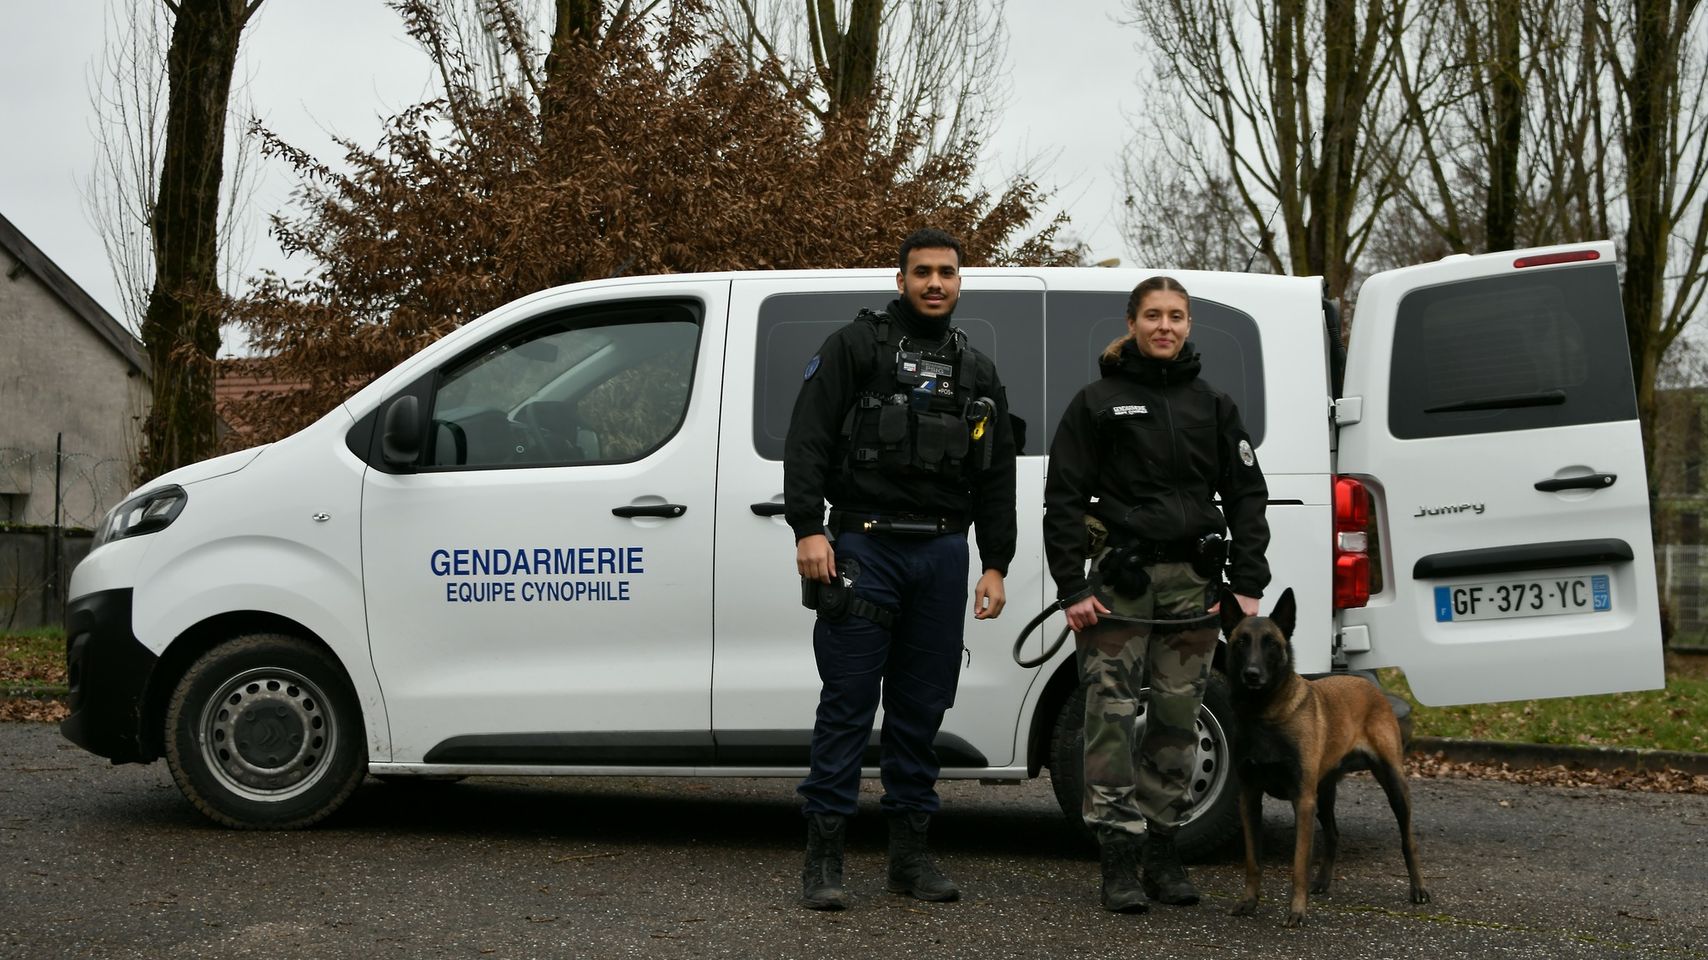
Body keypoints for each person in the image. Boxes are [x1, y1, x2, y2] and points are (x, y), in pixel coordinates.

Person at [783, 228, 1017, 911]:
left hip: (944, 553)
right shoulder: (855, 347)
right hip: (864, 549)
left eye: (946, 272)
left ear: (960, 283)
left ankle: (909, 860)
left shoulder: (976, 370)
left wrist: (996, 563)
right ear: (901, 280)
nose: (935, 283)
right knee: (848, 707)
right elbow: (809, 437)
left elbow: (997, 474)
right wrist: (808, 526)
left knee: (921, 712)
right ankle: (823, 862)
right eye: (923, 272)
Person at [1042, 275, 1269, 913]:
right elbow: (1062, 499)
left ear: (1188, 324)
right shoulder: (1098, 402)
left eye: (1175, 316)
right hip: (1121, 583)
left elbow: (1249, 495)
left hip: (1194, 586)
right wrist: (1071, 587)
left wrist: (1248, 581)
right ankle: (1118, 858)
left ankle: (1164, 850)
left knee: (1178, 717)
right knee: (1109, 715)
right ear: (1132, 322)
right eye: (1152, 315)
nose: (1164, 326)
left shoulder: (1214, 406)